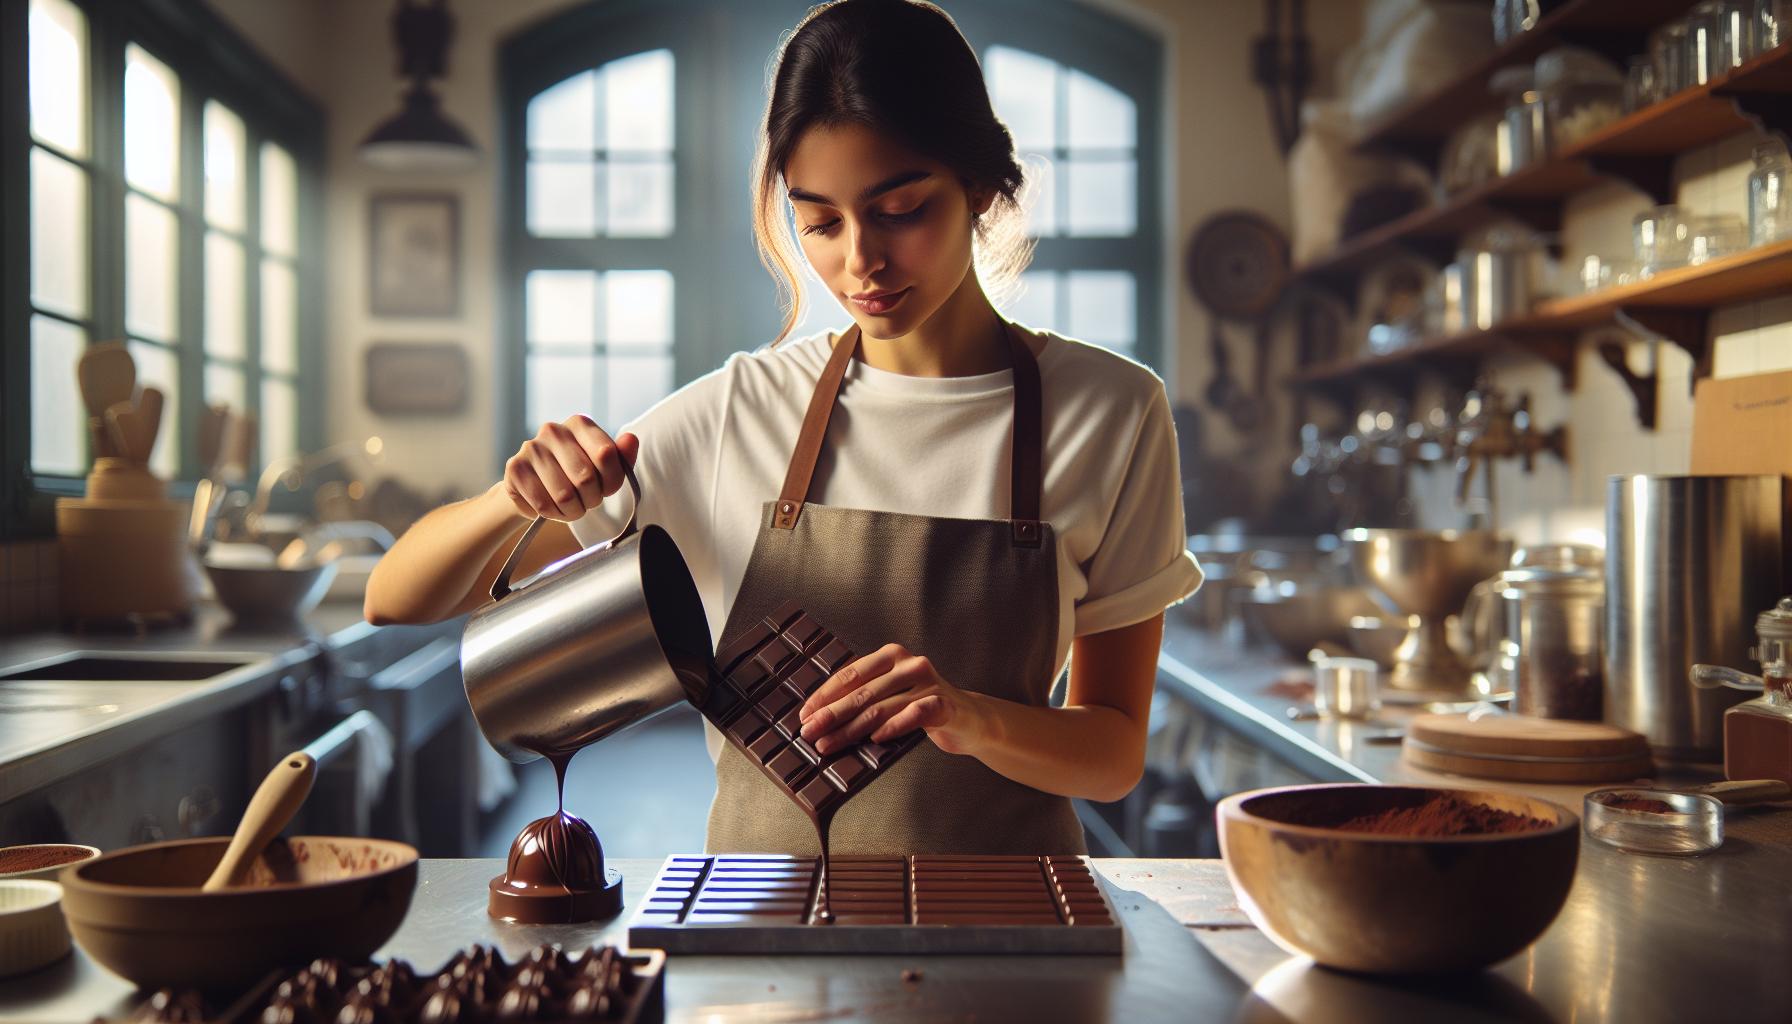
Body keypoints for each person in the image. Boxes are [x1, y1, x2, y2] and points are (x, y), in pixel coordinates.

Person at [364, 0, 1201, 856]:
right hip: (762, 942)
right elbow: (397, 596)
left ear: (980, 185)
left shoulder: (1115, 413)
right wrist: (516, 498)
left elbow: (1112, 755)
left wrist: (974, 717)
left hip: (1015, 935)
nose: (860, 262)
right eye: (821, 222)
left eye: (900, 208)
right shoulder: (737, 413)